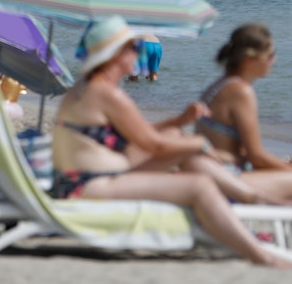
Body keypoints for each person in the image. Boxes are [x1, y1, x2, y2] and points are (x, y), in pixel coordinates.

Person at [51, 16, 290, 267]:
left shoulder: (88, 87)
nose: (139, 53)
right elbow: (153, 145)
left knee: (177, 139)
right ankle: (261, 255)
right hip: (90, 187)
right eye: (134, 48)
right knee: (199, 186)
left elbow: (141, 134)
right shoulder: (107, 93)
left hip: (82, 180)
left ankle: (252, 198)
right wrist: (199, 144)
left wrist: (180, 122)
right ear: (115, 53)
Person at [196, 23, 292, 200]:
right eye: (270, 55)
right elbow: (255, 156)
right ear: (249, 60)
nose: (274, 60)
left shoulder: (219, 85)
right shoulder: (241, 91)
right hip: (226, 179)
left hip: (213, 172)